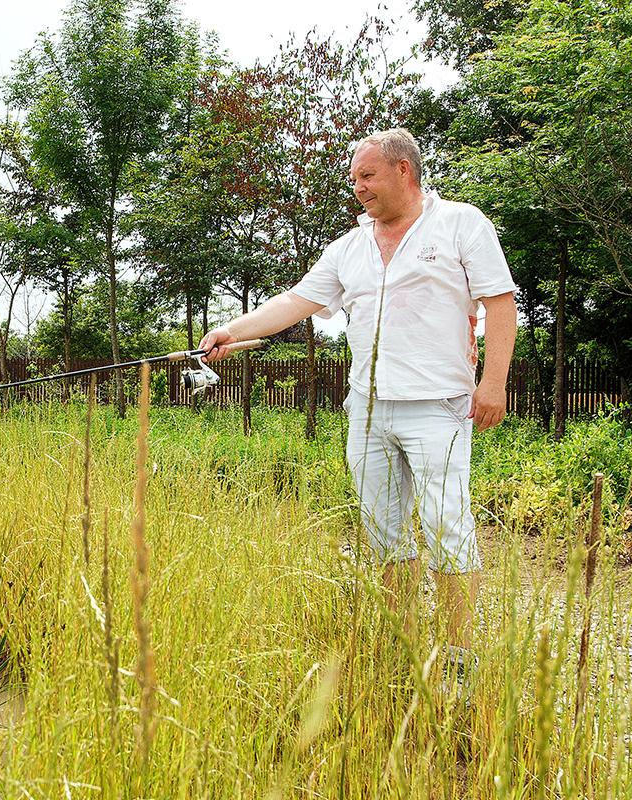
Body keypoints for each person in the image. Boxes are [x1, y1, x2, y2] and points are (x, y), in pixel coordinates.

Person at [199, 128, 516, 692]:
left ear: (403, 170)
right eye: (354, 179)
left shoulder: (462, 224)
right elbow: (298, 301)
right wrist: (231, 328)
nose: (359, 189)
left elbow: (499, 301)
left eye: (367, 176)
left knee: (448, 528)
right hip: (366, 411)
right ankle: (401, 645)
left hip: (438, 407)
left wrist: (492, 385)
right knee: (383, 533)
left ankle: (459, 660)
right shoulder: (349, 247)